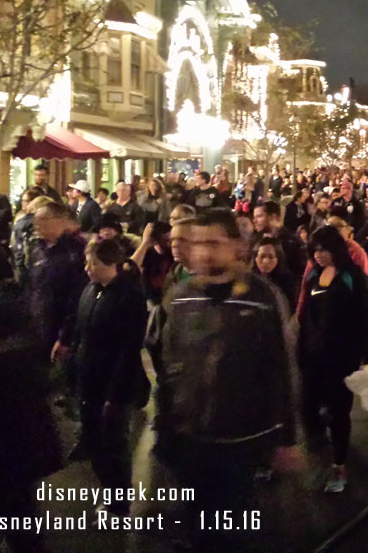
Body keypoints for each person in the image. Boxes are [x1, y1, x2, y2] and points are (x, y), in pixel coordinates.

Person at [147, 210, 298, 550]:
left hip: (239, 439)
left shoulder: (262, 298)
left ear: (235, 247)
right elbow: (169, 365)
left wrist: (285, 436)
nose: (204, 252)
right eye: (197, 243)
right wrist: (165, 423)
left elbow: (280, 367)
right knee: (195, 525)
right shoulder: (179, 297)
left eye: (213, 243)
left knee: (232, 528)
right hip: (190, 436)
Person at [0, 290, 63, 553]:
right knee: (21, 518)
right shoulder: (17, 357)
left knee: (13, 522)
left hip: (2, 465)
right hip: (17, 463)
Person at [57, 238, 149, 520]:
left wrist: (116, 395)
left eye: (93, 263)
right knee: (94, 441)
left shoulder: (129, 297)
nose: (88, 269)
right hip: (88, 379)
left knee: (114, 446)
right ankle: (109, 493)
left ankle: (119, 503)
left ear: (113, 265)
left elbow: (128, 350)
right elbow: (79, 325)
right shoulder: (92, 290)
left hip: (111, 386)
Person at [297, 224, 368, 494]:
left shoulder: (352, 277)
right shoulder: (315, 275)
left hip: (342, 357)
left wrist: (365, 356)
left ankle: (340, 465)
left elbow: (364, 318)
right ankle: (319, 452)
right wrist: (302, 348)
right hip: (314, 354)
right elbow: (308, 315)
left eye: (323, 250)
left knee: (340, 412)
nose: (318, 255)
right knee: (307, 406)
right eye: (314, 250)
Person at [28, 202, 89, 360]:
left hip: (62, 327)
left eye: (42, 219)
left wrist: (65, 337)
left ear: (60, 220)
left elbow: (77, 295)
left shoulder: (75, 251)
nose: (36, 224)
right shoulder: (36, 248)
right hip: (38, 326)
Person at [252, 236, 299, 305]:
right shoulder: (248, 280)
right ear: (255, 258)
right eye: (262, 256)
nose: (266, 261)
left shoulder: (288, 283)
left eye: (271, 257)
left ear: (278, 259)